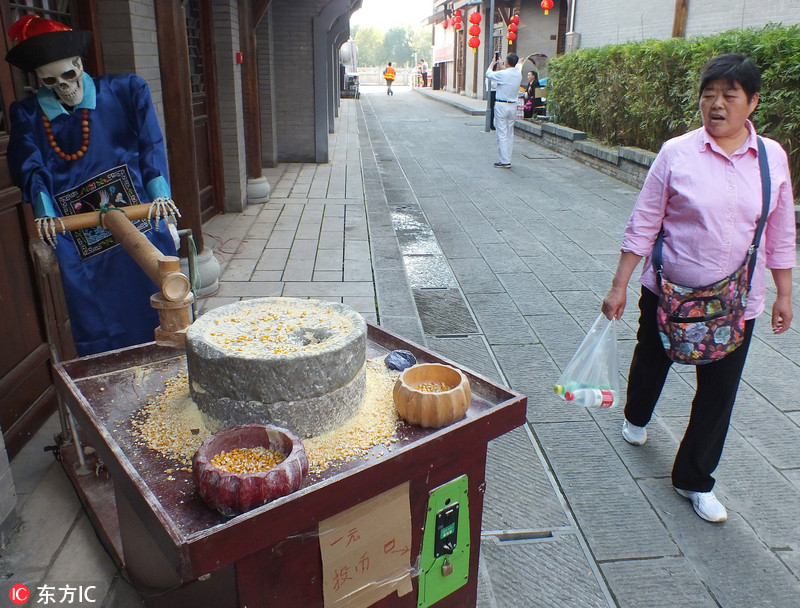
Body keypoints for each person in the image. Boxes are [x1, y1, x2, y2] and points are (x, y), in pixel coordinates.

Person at [601, 54, 795, 523]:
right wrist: (620, 285)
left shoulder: (772, 158)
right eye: (709, 94)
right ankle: (637, 415)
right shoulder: (677, 153)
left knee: (718, 392)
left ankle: (695, 479)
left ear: (752, 102)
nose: (717, 104)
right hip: (669, 293)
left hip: (736, 302)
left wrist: (784, 293)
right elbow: (645, 221)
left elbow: (781, 230)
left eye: (730, 95)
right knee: (652, 358)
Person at [5, 15, 180, 356]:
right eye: (50, 81)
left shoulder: (127, 89)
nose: (64, 86)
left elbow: (151, 145)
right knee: (98, 315)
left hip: (139, 213)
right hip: (76, 229)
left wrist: (161, 197)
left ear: (79, 64)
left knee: (158, 294)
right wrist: (44, 213)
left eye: (69, 75)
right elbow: (30, 166)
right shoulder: (28, 114)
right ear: (40, 81)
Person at [485, 53, 522, 168]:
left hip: (502, 105)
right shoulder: (518, 74)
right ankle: (508, 158)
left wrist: (493, 63)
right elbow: (506, 72)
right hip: (513, 105)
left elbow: (488, 74)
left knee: (501, 133)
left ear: (507, 62)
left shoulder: (503, 74)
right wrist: (501, 64)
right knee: (509, 134)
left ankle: (504, 161)